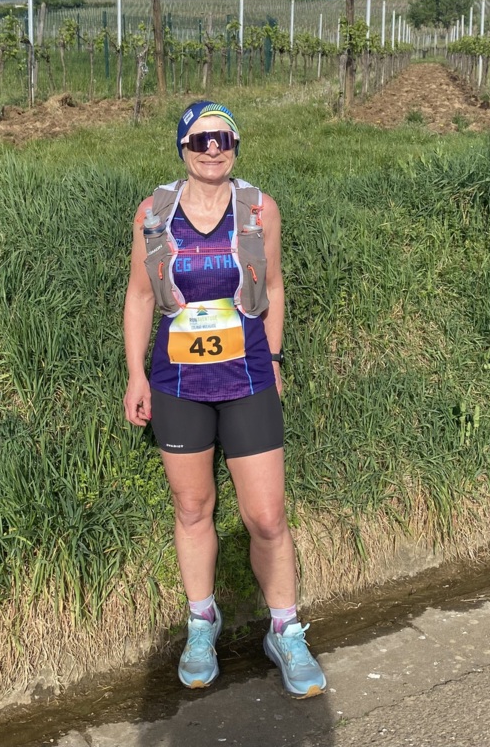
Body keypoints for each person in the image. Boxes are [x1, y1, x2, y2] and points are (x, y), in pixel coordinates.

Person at [122, 100, 327, 698]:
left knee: (266, 517)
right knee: (192, 509)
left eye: (224, 138)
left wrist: (276, 359)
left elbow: (276, 287)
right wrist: (136, 375)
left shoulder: (259, 209)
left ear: (235, 146)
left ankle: (285, 631)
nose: (213, 149)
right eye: (200, 139)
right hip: (179, 384)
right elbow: (140, 295)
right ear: (182, 147)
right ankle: (201, 623)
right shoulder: (154, 213)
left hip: (248, 377)